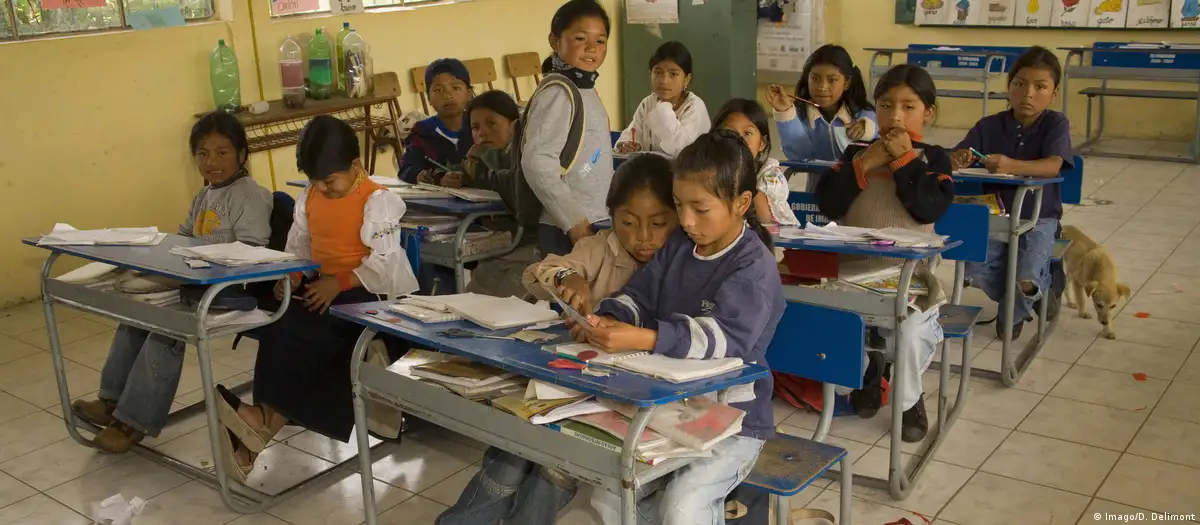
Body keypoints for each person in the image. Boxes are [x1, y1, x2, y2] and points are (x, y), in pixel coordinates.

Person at [435, 153, 679, 525]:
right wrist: (568, 278)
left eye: (658, 223)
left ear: (679, 218)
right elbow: (542, 271)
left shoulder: (682, 263)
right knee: (512, 449)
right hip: (573, 384)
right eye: (628, 222)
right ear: (611, 217)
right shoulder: (601, 247)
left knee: (554, 463)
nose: (643, 237)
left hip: (629, 399)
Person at [578, 130, 784, 525]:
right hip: (670, 407)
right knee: (608, 494)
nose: (685, 220)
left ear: (742, 203)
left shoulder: (752, 266)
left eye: (700, 208)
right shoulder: (679, 246)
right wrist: (612, 317)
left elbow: (726, 339)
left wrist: (646, 338)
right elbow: (641, 294)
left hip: (734, 420)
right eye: (678, 205)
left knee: (683, 506)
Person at [213, 116, 419, 482]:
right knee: (282, 321)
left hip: (367, 293)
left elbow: (384, 264)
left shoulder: (379, 200)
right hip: (326, 288)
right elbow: (300, 246)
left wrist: (338, 281)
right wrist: (291, 277)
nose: (323, 189)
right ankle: (259, 425)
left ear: (356, 167)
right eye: (315, 181)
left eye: (330, 181)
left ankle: (259, 424)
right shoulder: (311, 196)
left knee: (311, 332)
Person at [71, 112, 273, 454]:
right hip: (196, 283)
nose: (211, 162)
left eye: (222, 153)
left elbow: (251, 251)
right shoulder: (204, 196)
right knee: (138, 312)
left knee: (166, 327)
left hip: (231, 290)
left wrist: (199, 264)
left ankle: (133, 420)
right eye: (203, 154)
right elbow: (182, 239)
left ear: (241, 154)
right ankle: (112, 401)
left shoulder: (250, 194)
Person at [814, 64, 954, 443]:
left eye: (909, 106)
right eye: (886, 105)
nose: (895, 116)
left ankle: (909, 402)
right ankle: (868, 373)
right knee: (823, 318)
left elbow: (928, 208)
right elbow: (827, 202)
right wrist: (864, 164)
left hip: (912, 280)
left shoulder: (935, 158)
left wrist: (904, 162)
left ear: (929, 112)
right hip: (852, 276)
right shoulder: (856, 152)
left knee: (907, 332)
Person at [951, 45, 1073, 340]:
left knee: (1027, 277)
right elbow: (960, 151)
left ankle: (1022, 301)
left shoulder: (1056, 123)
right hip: (994, 214)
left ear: (1053, 93)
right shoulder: (989, 125)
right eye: (1019, 84)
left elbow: (1054, 165)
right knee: (972, 267)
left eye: (1040, 87)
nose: (1028, 93)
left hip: (1039, 216)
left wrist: (1011, 165)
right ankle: (1033, 293)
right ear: (1009, 87)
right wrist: (958, 157)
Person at [523, 0, 615, 256]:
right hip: (567, 226)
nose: (591, 48)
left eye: (600, 40)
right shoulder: (558, 93)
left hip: (595, 218)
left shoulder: (584, 88)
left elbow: (589, 158)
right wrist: (574, 221)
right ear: (555, 41)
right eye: (580, 38)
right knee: (570, 294)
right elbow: (537, 163)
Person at [767, 44, 877, 191]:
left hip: (858, 193)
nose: (822, 87)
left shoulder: (861, 113)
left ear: (847, 83)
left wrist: (866, 127)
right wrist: (785, 112)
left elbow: (878, 128)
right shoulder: (800, 115)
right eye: (815, 78)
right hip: (817, 193)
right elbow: (800, 156)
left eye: (832, 80)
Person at [713, 98, 801, 230]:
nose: (738, 139)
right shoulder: (707, 168)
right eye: (729, 132)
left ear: (762, 143)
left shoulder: (770, 174)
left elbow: (766, 219)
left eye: (747, 133)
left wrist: (744, 178)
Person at [614, 40, 710, 157]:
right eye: (658, 72)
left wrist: (663, 107)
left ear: (687, 79)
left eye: (673, 74)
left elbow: (681, 149)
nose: (664, 81)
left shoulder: (694, 107)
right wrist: (632, 145)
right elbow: (633, 133)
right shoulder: (648, 103)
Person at [398, 58, 474, 183]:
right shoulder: (422, 132)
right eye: (438, 90)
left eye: (455, 88)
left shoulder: (480, 127)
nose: (448, 95)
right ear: (429, 99)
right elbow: (406, 169)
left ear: (469, 93)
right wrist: (422, 176)